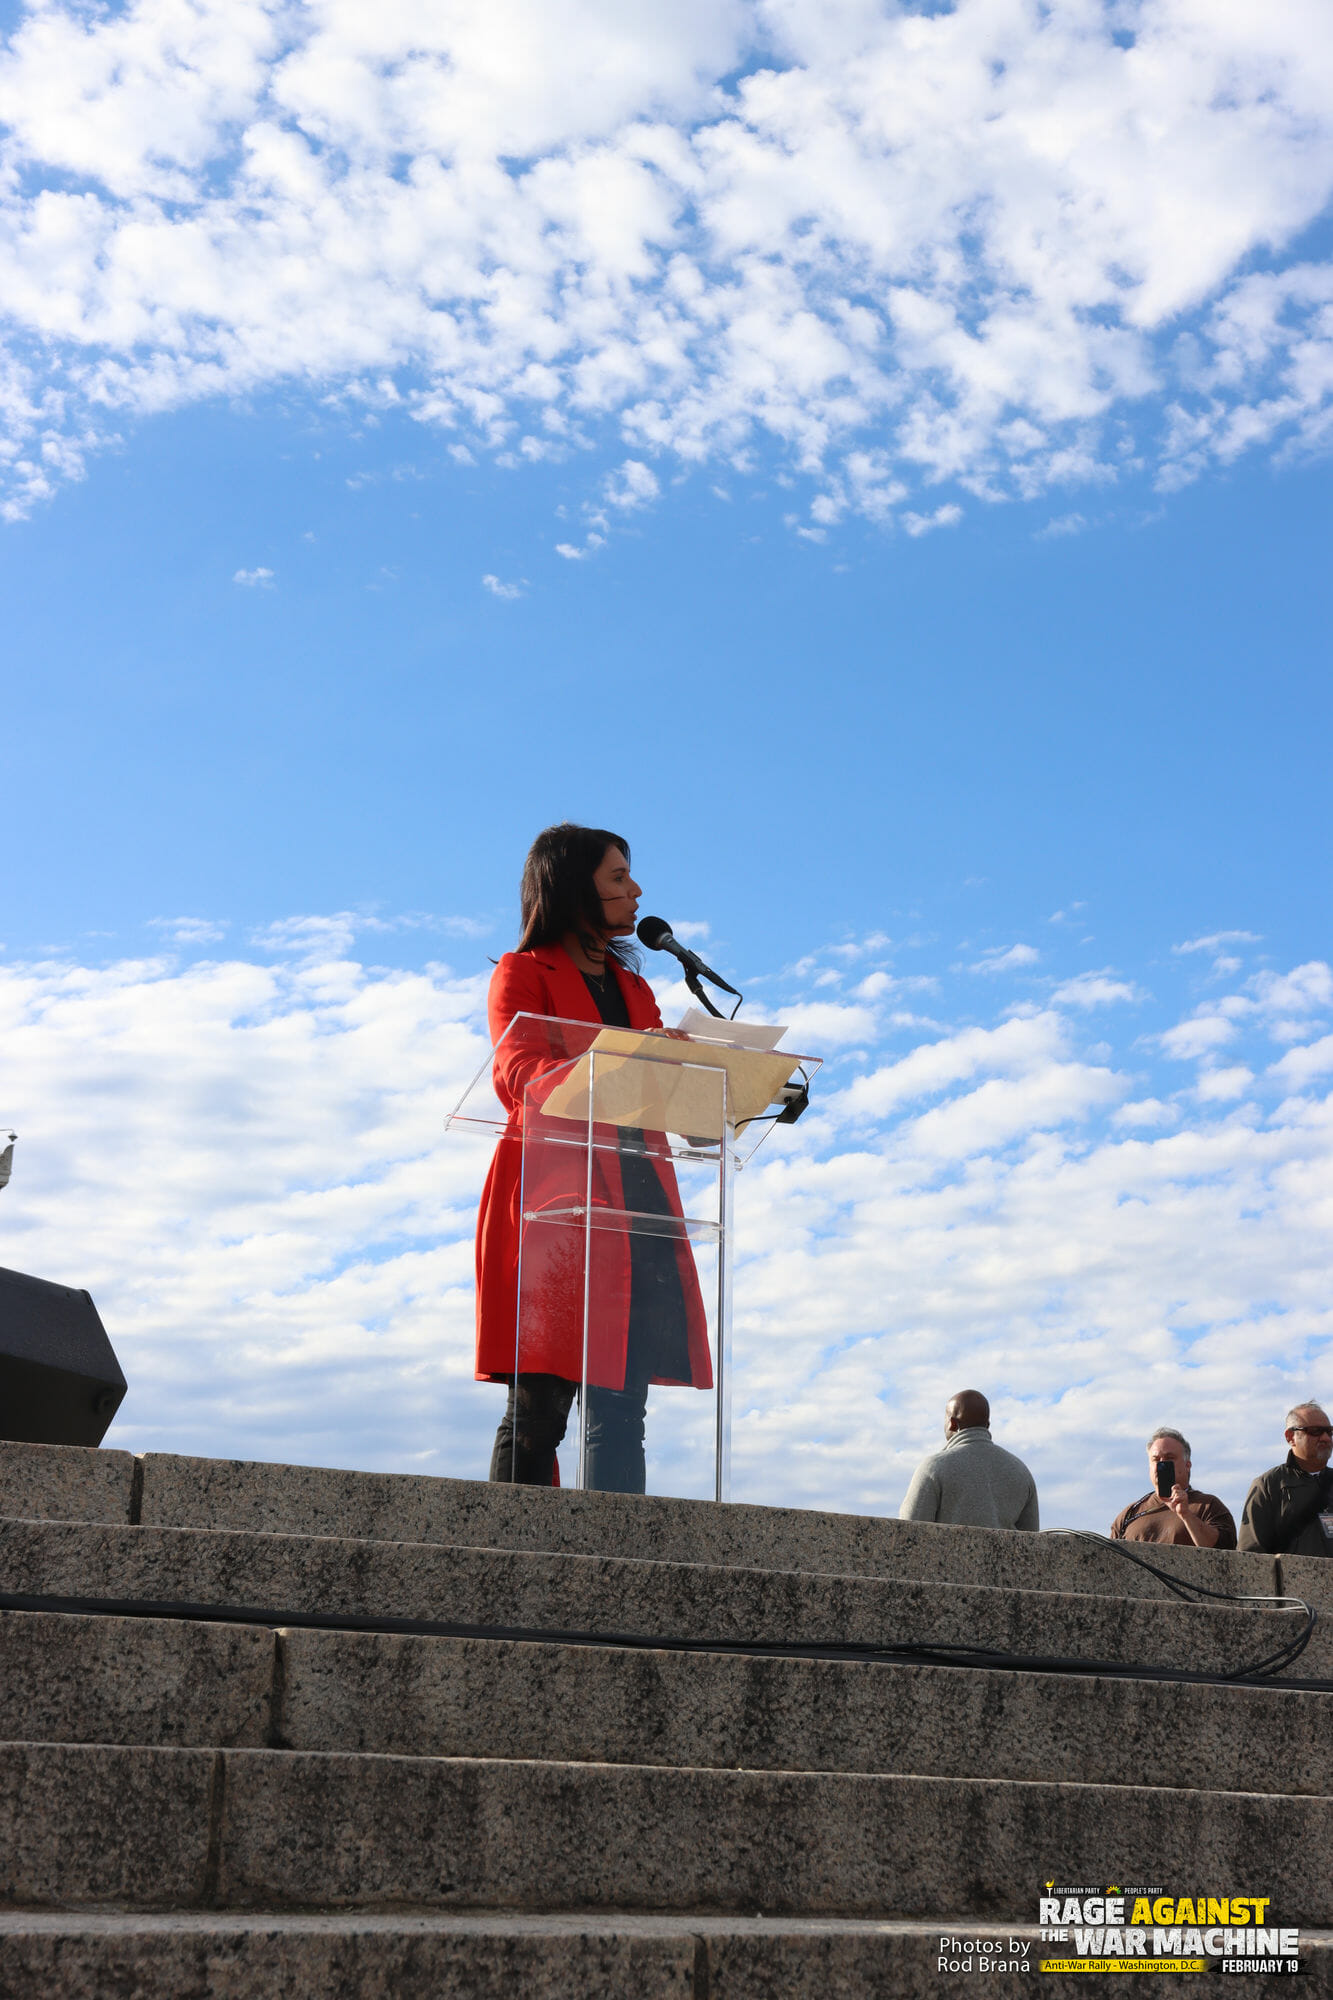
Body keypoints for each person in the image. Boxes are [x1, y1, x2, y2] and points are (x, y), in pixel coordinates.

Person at [475, 823, 712, 1493]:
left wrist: (708, 1086)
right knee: (539, 1409)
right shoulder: (522, 972)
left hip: (639, 1199)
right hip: (560, 1204)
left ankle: (613, 1563)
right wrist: (618, 1061)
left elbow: (662, 1094)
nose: (635, 891)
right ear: (571, 885)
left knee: (620, 1408)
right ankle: (507, 1551)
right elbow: (517, 1073)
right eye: (617, 878)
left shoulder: (634, 990)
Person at [899, 1390, 1039, 1531]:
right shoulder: (1021, 1471)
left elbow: (907, 1533)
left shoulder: (933, 1468)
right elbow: (1032, 1540)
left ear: (952, 1424)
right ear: (987, 1425)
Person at [1109, 1427, 1236, 1549]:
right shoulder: (1129, 1514)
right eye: (1156, 1459)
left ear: (1187, 1465)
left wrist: (1186, 1515)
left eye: (1169, 1459)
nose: (1162, 1464)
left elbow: (1223, 1553)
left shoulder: (1208, 1506)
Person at [1238, 1402, 1333, 1558]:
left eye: (1329, 1432)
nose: (1325, 1438)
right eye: (1315, 1431)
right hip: (1291, 1581)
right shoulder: (1268, 1485)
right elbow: (1250, 1557)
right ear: (1291, 1437)